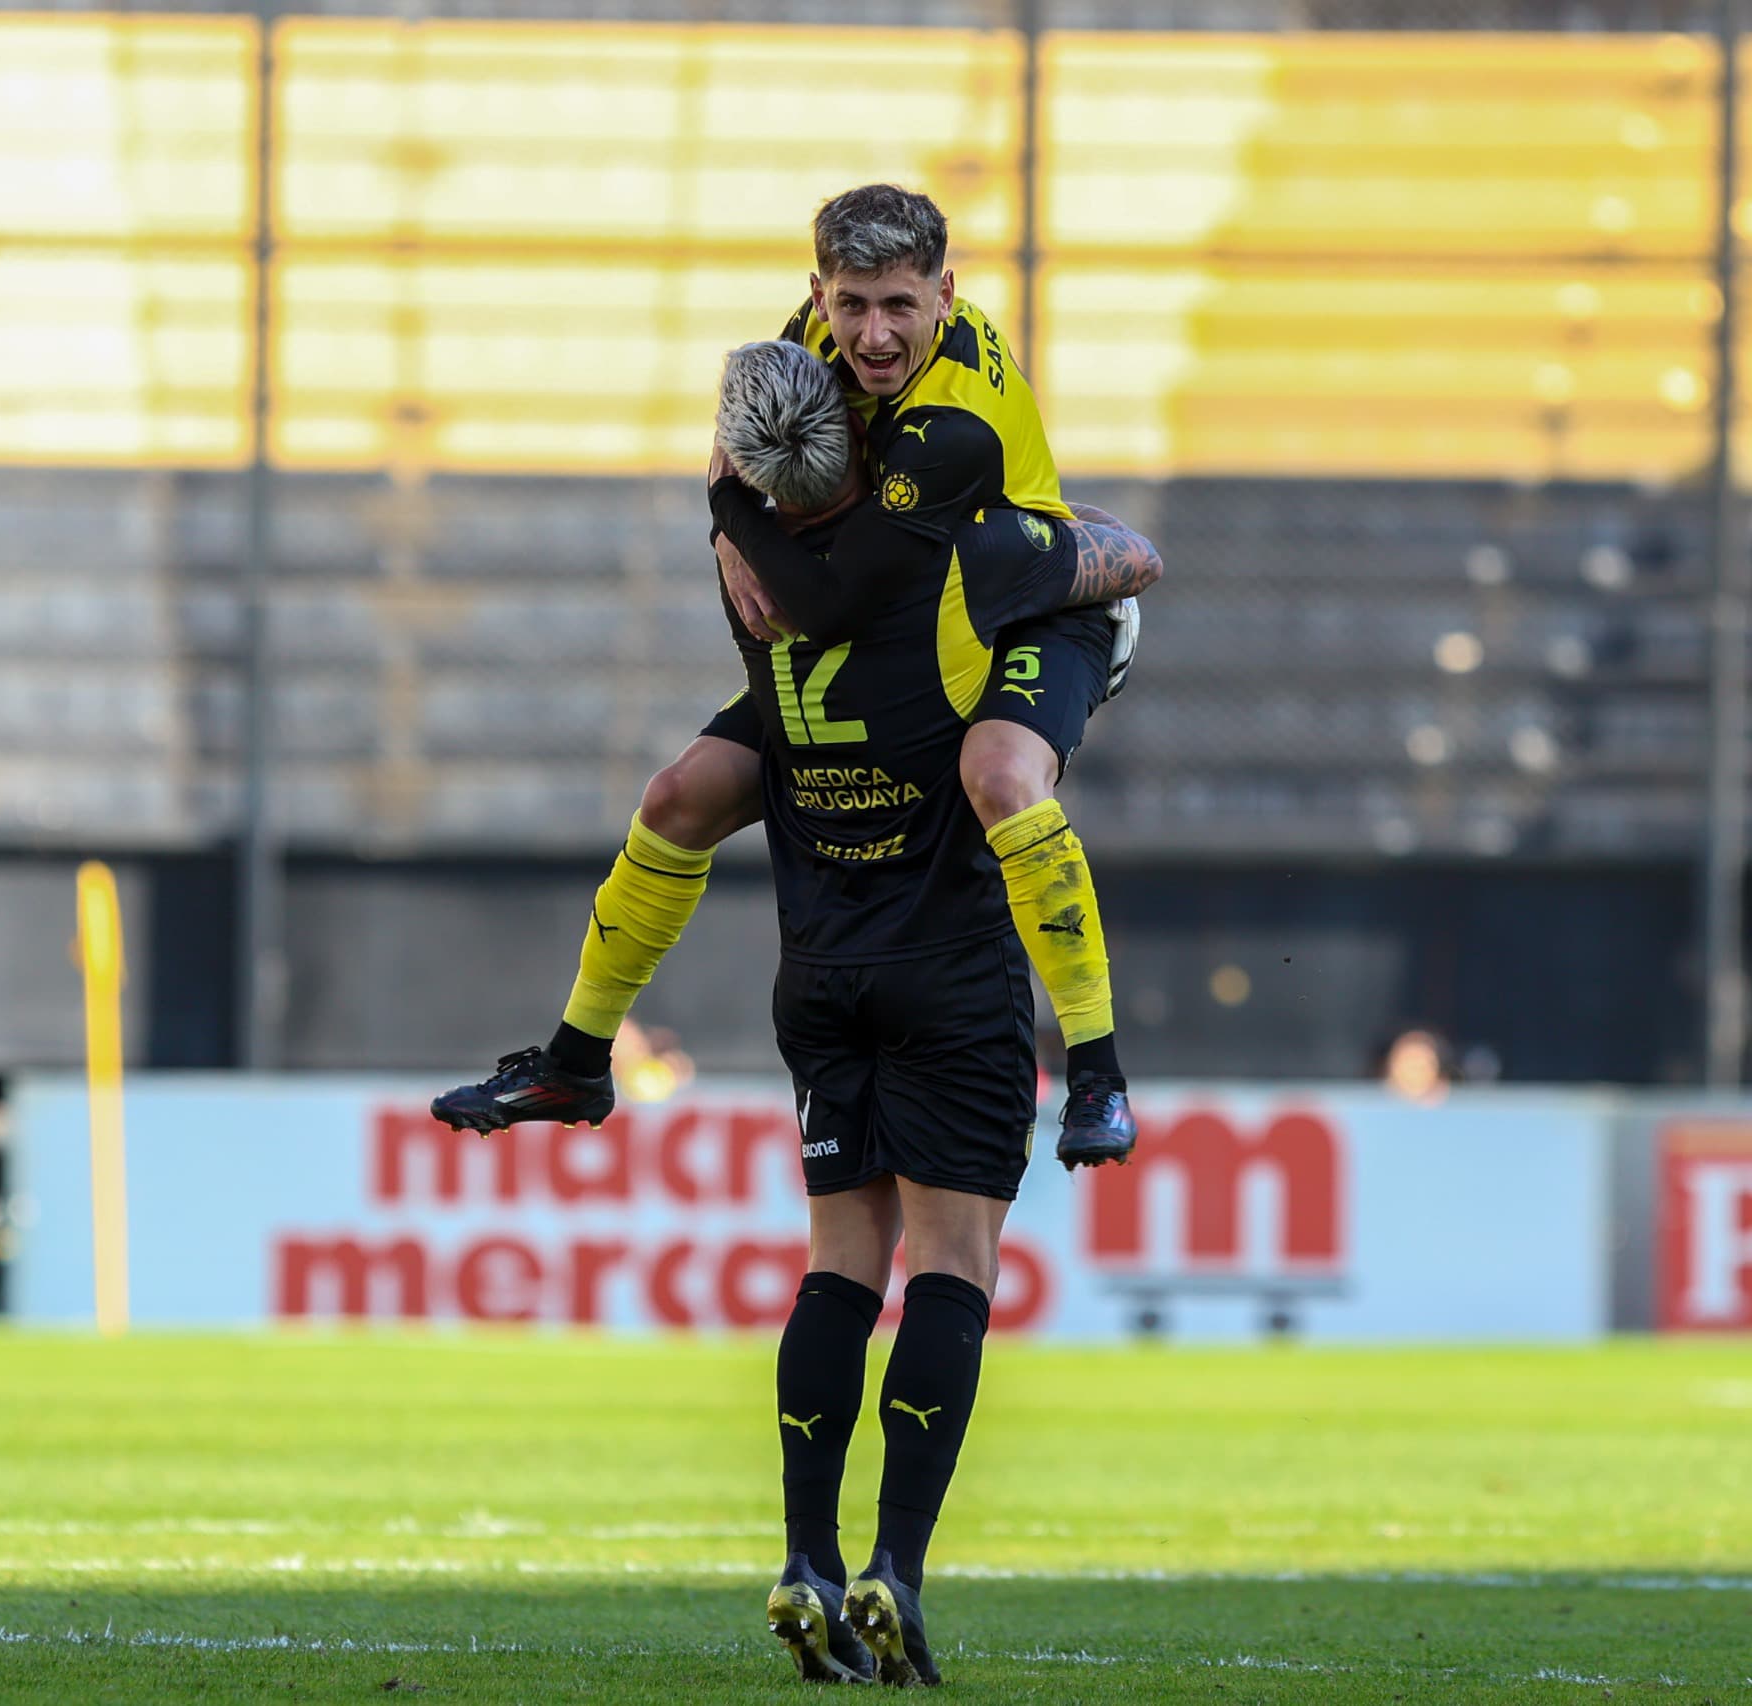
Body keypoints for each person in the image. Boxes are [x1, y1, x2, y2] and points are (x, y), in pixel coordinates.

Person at [433, 184, 1143, 1169]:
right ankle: (577, 1059)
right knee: (678, 796)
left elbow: (829, 603)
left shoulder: (951, 428)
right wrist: (728, 525)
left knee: (999, 776)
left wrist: (730, 513)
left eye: (899, 305)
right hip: (903, 607)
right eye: (852, 304)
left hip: (1022, 606)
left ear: (944, 294)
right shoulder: (810, 334)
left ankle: (1097, 1073)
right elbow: (738, 427)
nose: (873, 334)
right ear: (819, 292)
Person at [682, 342, 1159, 1682]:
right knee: (952, 1263)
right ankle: (891, 1564)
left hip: (818, 965)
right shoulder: (960, 570)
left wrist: (726, 496)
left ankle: (804, 1555)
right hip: (949, 964)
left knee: (840, 1264)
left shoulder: (761, 585)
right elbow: (1124, 561)